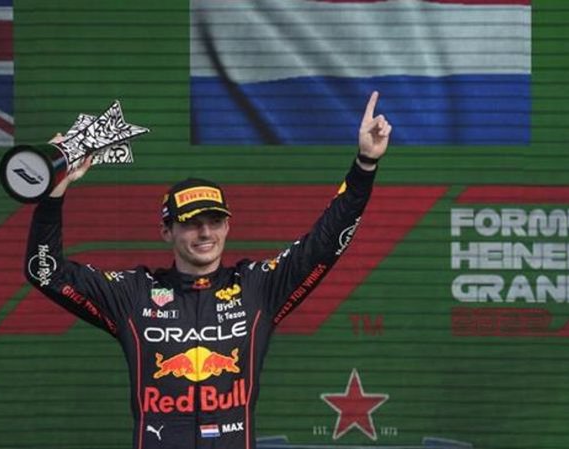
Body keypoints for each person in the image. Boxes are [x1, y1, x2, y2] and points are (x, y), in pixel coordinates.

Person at [24, 92, 391, 449]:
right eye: (191, 223)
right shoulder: (134, 294)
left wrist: (365, 165)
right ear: (166, 231)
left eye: (215, 221)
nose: (205, 233)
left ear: (228, 227)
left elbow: (323, 245)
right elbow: (45, 272)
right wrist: (53, 194)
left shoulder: (256, 287)